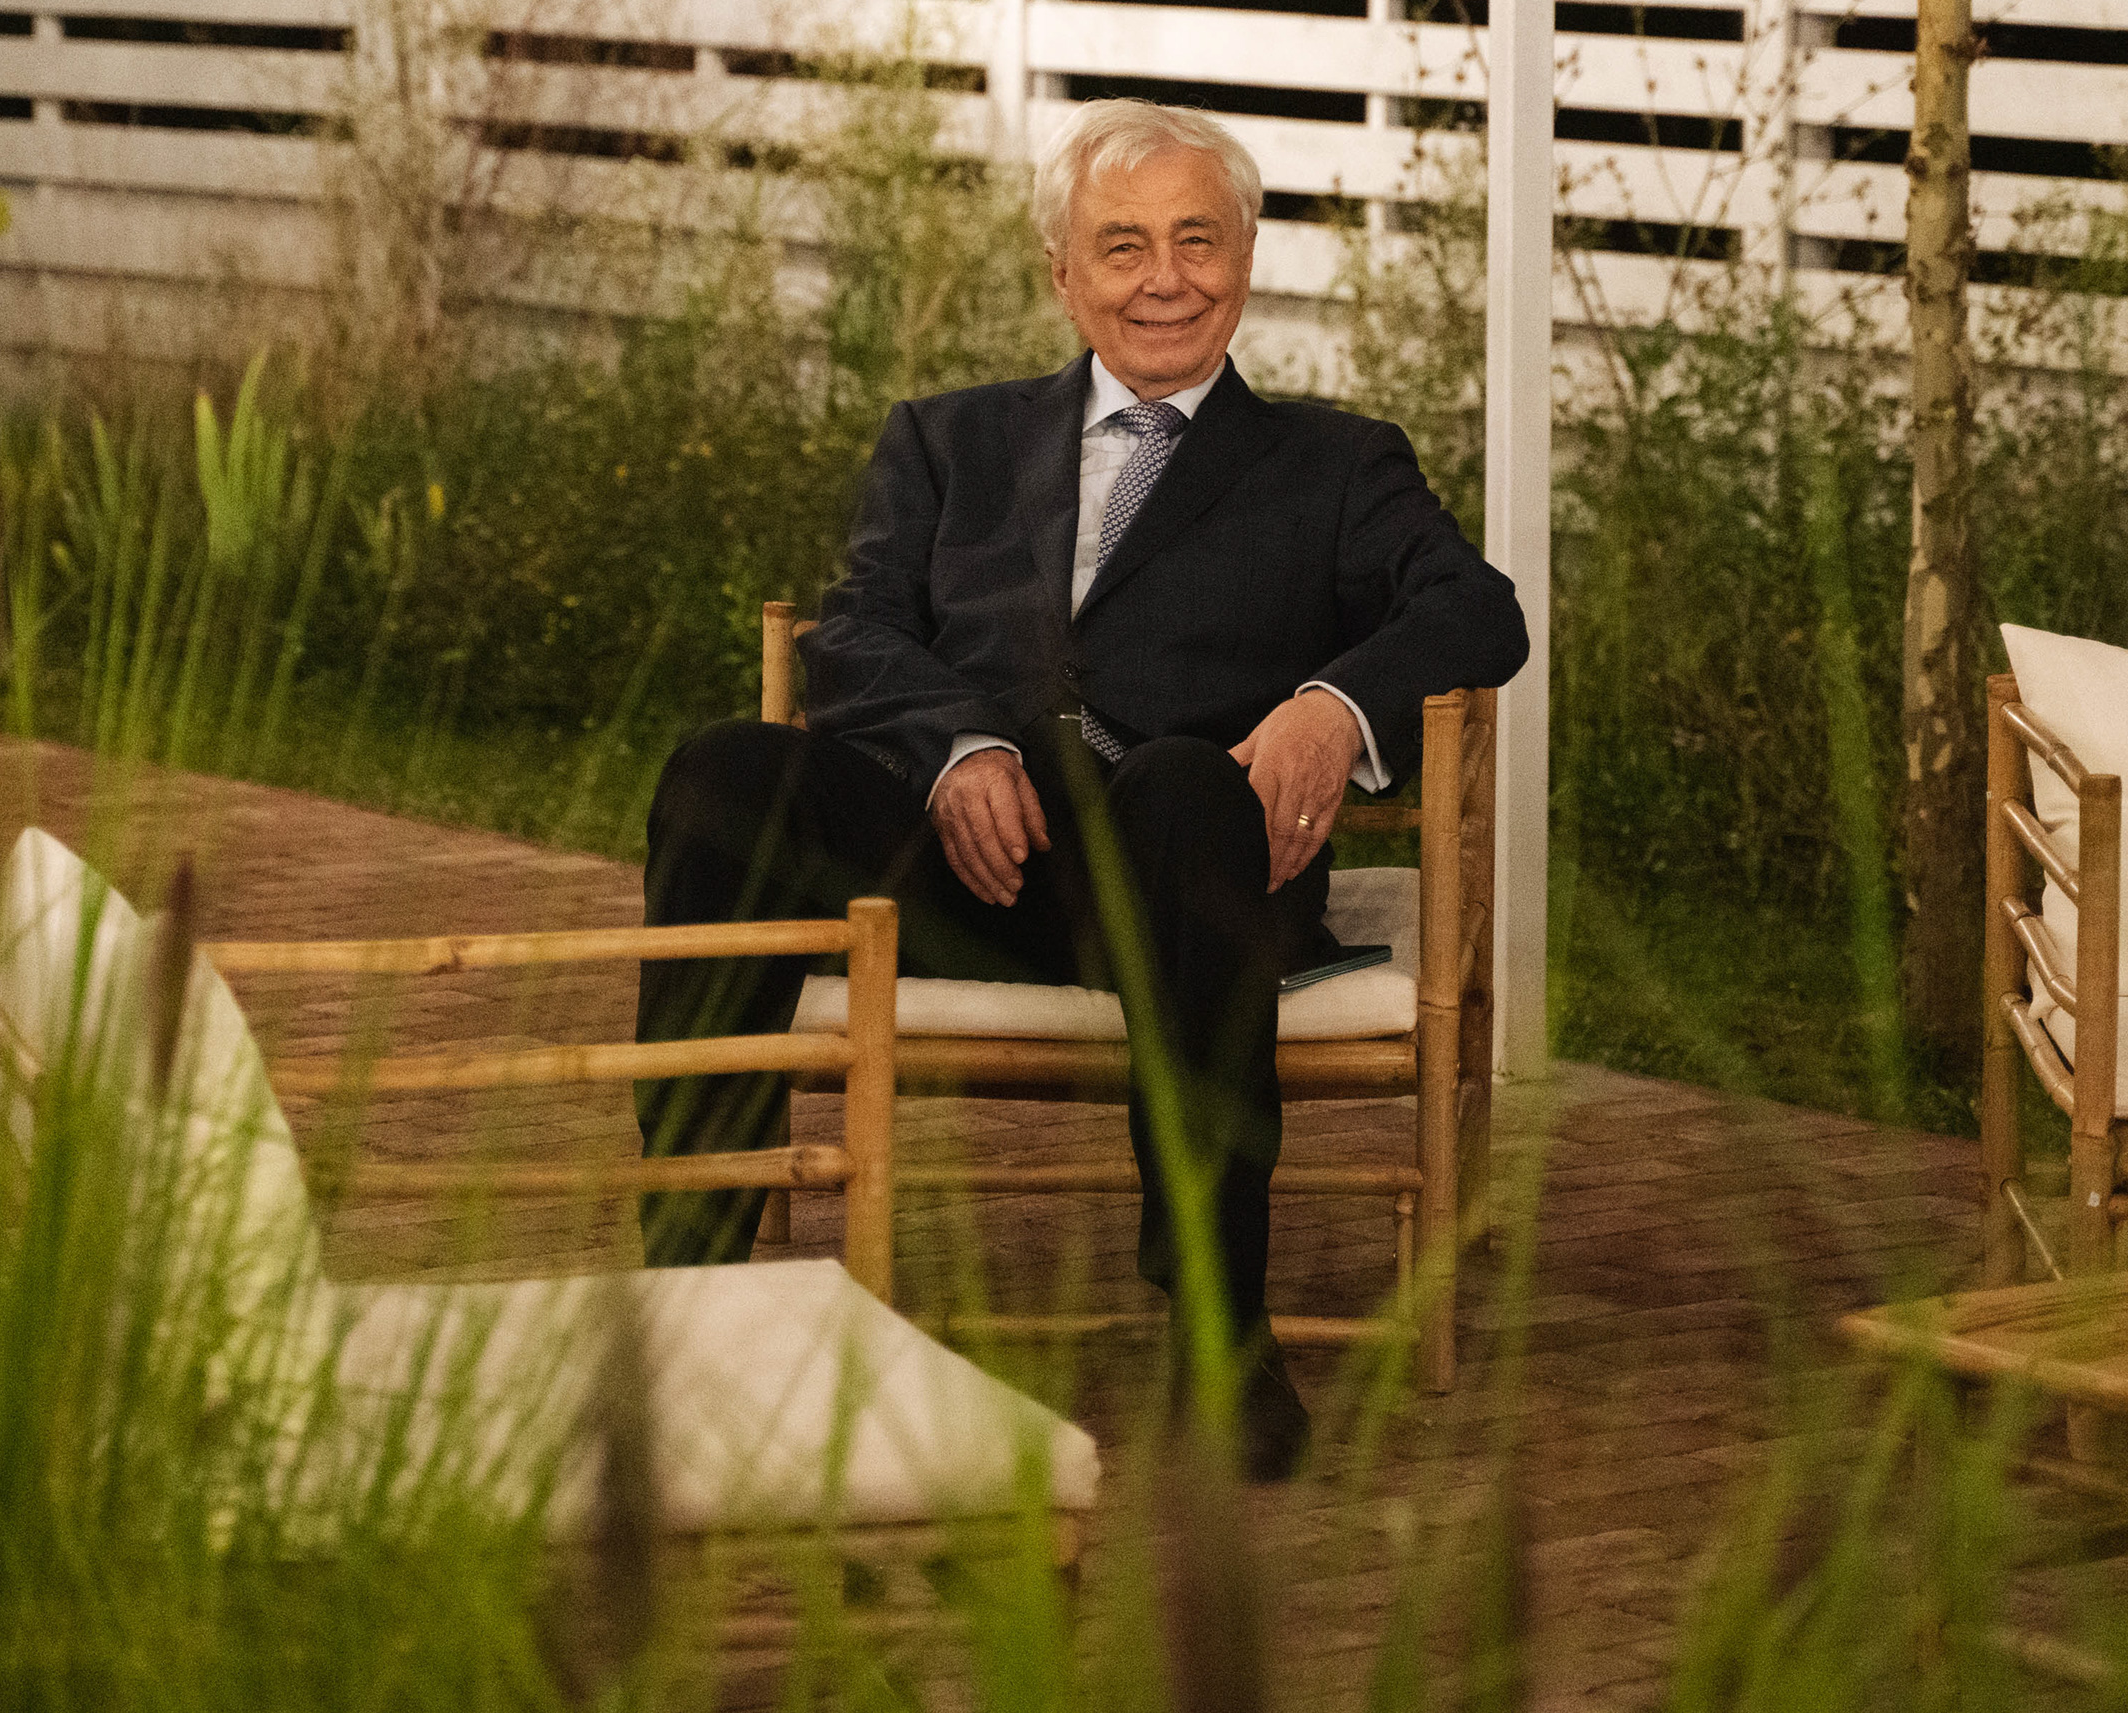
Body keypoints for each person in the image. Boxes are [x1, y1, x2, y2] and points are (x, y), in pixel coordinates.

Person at [633, 98, 1527, 1479]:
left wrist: (1331, 706)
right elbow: (855, 632)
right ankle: (689, 1291)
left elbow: (1477, 610)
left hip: (1192, 889)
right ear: (1063, 273)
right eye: (1123, 245)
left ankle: (1223, 1322)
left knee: (1178, 783)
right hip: (969, 873)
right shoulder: (948, 441)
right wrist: (956, 745)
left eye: (1196, 239)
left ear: (1247, 257)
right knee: (721, 772)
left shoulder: (1338, 463)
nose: (1165, 277)